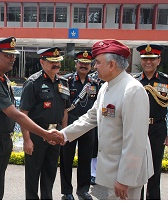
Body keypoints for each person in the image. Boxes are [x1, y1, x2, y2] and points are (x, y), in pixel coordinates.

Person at [57, 39, 154, 200]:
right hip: (113, 170)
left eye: (98, 62)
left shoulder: (132, 90)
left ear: (112, 64)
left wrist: (125, 179)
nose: (94, 66)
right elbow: (91, 117)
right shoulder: (106, 87)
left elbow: (135, 140)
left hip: (126, 175)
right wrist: (64, 135)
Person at [0, 37, 64, 200]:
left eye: (13, 55)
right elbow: (15, 113)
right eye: (7, 55)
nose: (12, 58)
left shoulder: (1, 78)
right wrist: (45, 134)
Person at [19, 47, 70, 200]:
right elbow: (23, 114)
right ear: (42, 62)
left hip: (55, 135)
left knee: (50, 172)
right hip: (37, 136)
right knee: (33, 174)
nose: (56, 65)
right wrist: (27, 140)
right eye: (52, 62)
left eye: (58, 62)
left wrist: (64, 133)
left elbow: (65, 111)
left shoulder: (63, 82)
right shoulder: (33, 83)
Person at [60, 51, 98, 200]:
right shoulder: (67, 81)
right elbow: (64, 107)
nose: (84, 65)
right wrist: (63, 128)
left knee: (85, 159)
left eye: (87, 63)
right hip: (70, 123)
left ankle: (83, 189)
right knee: (66, 159)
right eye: (81, 63)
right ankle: (67, 192)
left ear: (91, 66)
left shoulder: (95, 83)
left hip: (88, 126)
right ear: (76, 64)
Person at [134, 44, 168, 200]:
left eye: (152, 59)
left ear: (159, 60)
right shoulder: (133, 82)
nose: (148, 62)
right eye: (145, 59)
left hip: (157, 128)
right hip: (137, 129)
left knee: (154, 167)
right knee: (136, 167)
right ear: (141, 61)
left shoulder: (165, 81)